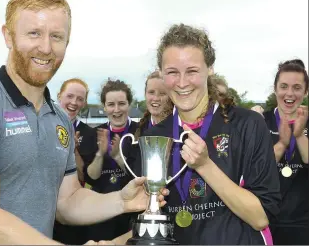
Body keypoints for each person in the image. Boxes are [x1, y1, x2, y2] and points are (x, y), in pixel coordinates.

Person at [0, 0, 168, 245]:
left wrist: (121, 200)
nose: (46, 47)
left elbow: (67, 202)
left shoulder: (59, 119)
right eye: (34, 33)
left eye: (57, 36)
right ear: (8, 35)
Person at [114, 23, 281, 245]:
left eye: (192, 71)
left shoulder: (247, 125)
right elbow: (151, 220)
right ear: (161, 73)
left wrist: (204, 165)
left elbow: (260, 217)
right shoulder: (154, 138)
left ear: (209, 69)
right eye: (172, 72)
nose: (182, 83)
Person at [252, 59, 308, 245]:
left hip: (303, 225)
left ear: (305, 91)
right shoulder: (260, 122)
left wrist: (298, 136)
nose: (289, 93)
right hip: (264, 222)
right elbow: (255, 170)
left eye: (297, 87)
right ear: (275, 89)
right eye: (284, 86)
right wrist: (282, 144)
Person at [82, 79, 139, 241]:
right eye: (111, 104)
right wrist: (100, 154)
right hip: (102, 209)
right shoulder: (93, 134)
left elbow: (139, 175)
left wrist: (118, 158)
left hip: (131, 209)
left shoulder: (139, 132)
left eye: (121, 103)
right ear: (104, 107)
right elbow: (91, 177)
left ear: (129, 104)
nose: (116, 110)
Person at [53, 78, 95, 245]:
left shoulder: (89, 133)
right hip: (44, 208)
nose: (74, 102)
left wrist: (73, 149)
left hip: (72, 208)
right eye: (69, 96)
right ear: (59, 96)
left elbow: (85, 176)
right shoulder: (42, 125)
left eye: (80, 99)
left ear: (84, 103)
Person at [134, 70, 173, 138]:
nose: (156, 98)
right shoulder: (137, 130)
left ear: (170, 97)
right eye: (151, 92)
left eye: (162, 93)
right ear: (145, 94)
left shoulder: (179, 128)